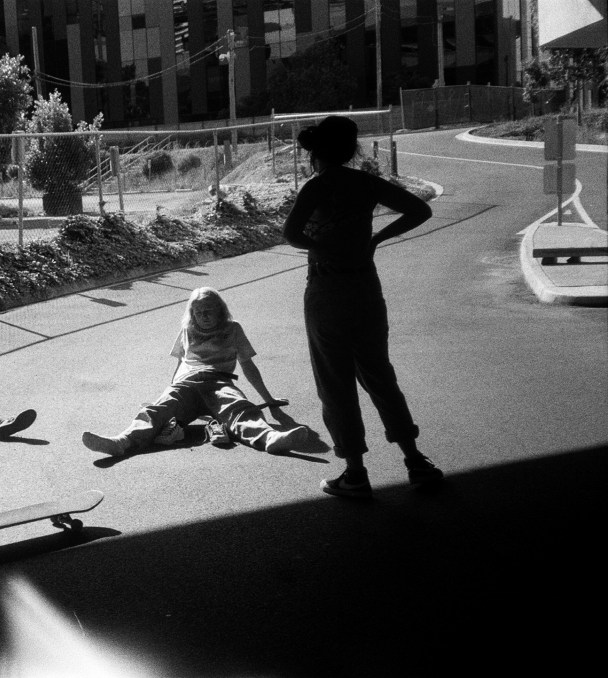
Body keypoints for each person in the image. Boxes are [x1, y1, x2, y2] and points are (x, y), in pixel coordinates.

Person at [282, 115, 444, 499]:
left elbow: (291, 233)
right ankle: (416, 461)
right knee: (379, 374)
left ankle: (355, 473)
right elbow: (421, 210)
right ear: (352, 149)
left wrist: (324, 248)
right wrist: (374, 239)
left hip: (326, 288)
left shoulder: (316, 186)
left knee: (335, 383)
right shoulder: (367, 183)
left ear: (315, 153)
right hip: (365, 287)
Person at [82, 287, 308, 456]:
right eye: (199, 311)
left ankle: (270, 438)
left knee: (240, 409)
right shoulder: (187, 330)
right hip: (187, 384)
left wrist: (268, 400)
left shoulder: (233, 328)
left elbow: (248, 365)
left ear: (221, 311)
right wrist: (170, 390)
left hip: (220, 382)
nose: (204, 316)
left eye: (209, 310)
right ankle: (120, 443)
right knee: (156, 410)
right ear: (192, 313)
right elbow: (180, 363)